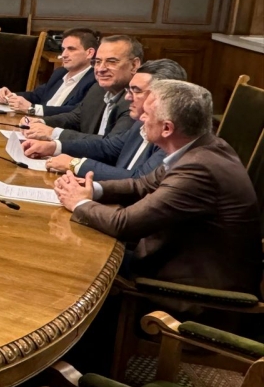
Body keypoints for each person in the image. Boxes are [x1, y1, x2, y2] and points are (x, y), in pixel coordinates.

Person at [56, 79, 261, 294]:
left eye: (147, 114)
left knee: (70, 263)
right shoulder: (201, 146)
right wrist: (92, 189)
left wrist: (78, 202)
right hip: (167, 260)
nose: (141, 119)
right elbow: (141, 185)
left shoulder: (199, 169)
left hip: (189, 291)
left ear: (167, 128)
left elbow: (124, 224)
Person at [43, 59, 185, 180]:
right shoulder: (139, 123)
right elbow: (108, 147)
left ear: (163, 95)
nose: (128, 97)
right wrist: (55, 146)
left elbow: (139, 180)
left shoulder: (173, 134)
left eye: (136, 90)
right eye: (129, 90)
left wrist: (75, 164)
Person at [20, 35, 141, 157]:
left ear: (134, 65)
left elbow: (110, 146)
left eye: (111, 61)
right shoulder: (98, 89)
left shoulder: (136, 100)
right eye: (98, 62)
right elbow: (76, 117)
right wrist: (40, 122)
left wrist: (54, 133)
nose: (101, 69)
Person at [0, 28, 98, 117]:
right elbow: (36, 96)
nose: (64, 54)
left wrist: (32, 109)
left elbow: (76, 111)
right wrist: (10, 96)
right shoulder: (59, 73)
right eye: (63, 49)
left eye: (71, 49)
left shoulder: (95, 80)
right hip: (34, 124)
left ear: (89, 53)